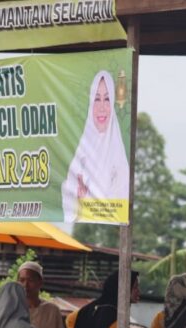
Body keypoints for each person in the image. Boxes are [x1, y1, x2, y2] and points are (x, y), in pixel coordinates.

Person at [61, 70, 129, 222]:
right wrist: (80, 200)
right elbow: (68, 202)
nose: (102, 107)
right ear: (91, 104)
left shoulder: (118, 157)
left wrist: (87, 202)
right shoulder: (82, 153)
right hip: (81, 234)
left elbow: (119, 210)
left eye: (107, 99)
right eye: (97, 99)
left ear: (112, 104)